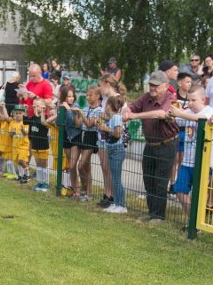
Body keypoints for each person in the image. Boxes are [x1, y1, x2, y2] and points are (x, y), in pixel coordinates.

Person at [123, 70, 180, 224]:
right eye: (151, 85)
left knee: (161, 181)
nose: (152, 88)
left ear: (166, 86)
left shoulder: (170, 98)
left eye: (156, 85)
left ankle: (159, 216)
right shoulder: (147, 97)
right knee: (148, 179)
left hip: (166, 144)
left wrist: (135, 116)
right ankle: (151, 212)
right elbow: (132, 106)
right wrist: (127, 111)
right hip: (150, 144)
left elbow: (161, 114)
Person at [170, 86, 213, 217]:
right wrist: (172, 114)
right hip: (187, 161)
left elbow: (202, 119)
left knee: (199, 193)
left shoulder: (210, 110)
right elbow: (176, 119)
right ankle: (192, 219)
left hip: (204, 161)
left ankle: (197, 221)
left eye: (193, 100)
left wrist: (180, 113)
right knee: (179, 190)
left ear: (203, 99)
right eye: (189, 100)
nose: (190, 103)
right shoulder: (188, 112)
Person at [96, 74, 126, 207]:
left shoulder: (117, 99)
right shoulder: (105, 100)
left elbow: (120, 118)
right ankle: (107, 193)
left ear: (106, 84)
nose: (99, 88)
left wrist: (105, 120)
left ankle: (114, 196)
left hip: (112, 139)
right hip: (102, 137)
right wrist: (101, 119)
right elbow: (105, 115)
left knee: (110, 169)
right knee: (104, 166)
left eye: (100, 85)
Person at [75, 84, 103, 201]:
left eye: (90, 95)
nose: (87, 97)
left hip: (91, 137)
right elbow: (78, 124)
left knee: (80, 166)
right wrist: (75, 114)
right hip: (83, 136)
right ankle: (88, 193)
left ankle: (84, 188)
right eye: (87, 95)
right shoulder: (86, 108)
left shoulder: (99, 110)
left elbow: (89, 124)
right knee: (87, 167)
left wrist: (81, 113)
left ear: (97, 96)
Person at [59, 85, 83, 196]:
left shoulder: (75, 106)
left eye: (72, 96)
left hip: (75, 136)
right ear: (64, 97)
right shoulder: (61, 107)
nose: (71, 98)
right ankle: (74, 189)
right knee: (70, 165)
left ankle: (78, 188)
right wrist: (61, 110)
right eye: (68, 96)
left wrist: (68, 110)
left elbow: (75, 123)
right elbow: (58, 122)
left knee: (73, 165)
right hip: (65, 137)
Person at [30, 98, 52, 190]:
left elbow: (43, 122)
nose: (36, 107)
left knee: (44, 163)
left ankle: (46, 182)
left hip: (43, 145)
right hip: (35, 145)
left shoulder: (46, 117)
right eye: (34, 105)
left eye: (38, 106)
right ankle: (39, 182)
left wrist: (43, 111)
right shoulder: (33, 118)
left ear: (43, 107)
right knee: (38, 163)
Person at [8, 104, 30, 184]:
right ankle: (21, 175)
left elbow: (26, 133)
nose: (18, 115)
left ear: (23, 114)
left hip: (23, 145)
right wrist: (12, 132)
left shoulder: (25, 123)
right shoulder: (12, 123)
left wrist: (22, 130)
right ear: (14, 113)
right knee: (17, 160)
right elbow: (10, 134)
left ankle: (27, 173)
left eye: (20, 113)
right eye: (16, 113)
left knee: (21, 160)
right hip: (15, 145)